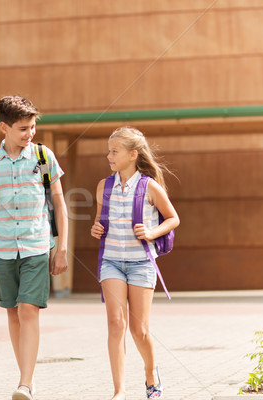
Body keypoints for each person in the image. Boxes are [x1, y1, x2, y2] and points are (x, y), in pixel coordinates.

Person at [0, 96, 69, 400]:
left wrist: (62, 247)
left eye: (33, 126)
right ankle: (25, 377)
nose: (30, 133)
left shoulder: (42, 157)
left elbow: (58, 201)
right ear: (4, 127)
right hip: (3, 248)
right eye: (24, 128)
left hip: (36, 244)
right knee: (12, 313)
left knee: (28, 309)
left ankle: (25, 383)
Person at [90, 127, 180, 400]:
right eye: (109, 150)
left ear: (132, 155)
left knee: (139, 330)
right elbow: (100, 222)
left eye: (114, 151)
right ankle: (119, 391)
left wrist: (152, 233)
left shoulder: (150, 187)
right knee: (116, 324)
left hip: (141, 264)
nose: (109, 156)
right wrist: (96, 228)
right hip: (112, 262)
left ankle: (151, 373)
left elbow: (173, 218)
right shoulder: (103, 186)